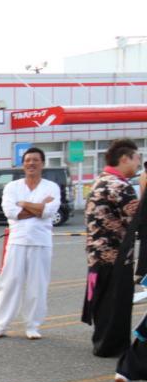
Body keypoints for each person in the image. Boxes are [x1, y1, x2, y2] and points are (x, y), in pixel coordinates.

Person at [0, 147, 59, 341]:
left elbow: (49, 211)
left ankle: (33, 325)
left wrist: (23, 204)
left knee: (37, 285)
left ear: (42, 163)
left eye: (35, 160)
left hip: (41, 242)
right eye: (28, 160)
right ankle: (1, 325)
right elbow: (11, 212)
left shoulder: (51, 187)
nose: (31, 163)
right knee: (9, 283)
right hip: (17, 241)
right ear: (23, 164)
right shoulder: (12, 187)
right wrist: (37, 207)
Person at [82, 138, 142, 357]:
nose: (138, 165)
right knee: (116, 303)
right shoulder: (120, 186)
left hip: (97, 255)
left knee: (103, 301)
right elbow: (138, 218)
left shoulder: (101, 180)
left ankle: (103, 342)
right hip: (115, 256)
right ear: (124, 158)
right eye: (137, 159)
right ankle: (112, 346)